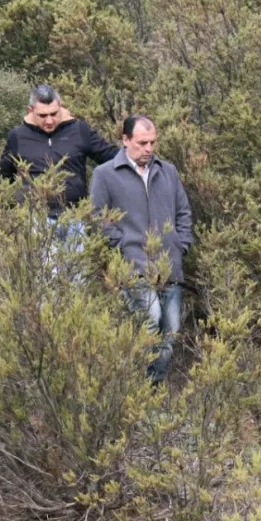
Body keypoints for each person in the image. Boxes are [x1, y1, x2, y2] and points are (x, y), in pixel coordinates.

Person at [90, 115, 193, 384]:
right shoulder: (105, 174)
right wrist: (121, 247)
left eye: (152, 142)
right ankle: (137, 386)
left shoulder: (167, 171)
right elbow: (98, 217)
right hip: (133, 265)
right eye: (142, 143)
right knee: (150, 320)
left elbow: (183, 211)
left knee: (170, 333)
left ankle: (151, 388)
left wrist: (181, 244)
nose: (148, 148)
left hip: (169, 265)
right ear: (125, 140)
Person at [0, 84, 119, 273]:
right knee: (47, 281)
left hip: (75, 218)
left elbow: (110, 156)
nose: (49, 120)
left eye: (54, 114)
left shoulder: (79, 130)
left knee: (77, 280)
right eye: (43, 116)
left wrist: (137, 154)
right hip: (38, 221)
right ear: (31, 111)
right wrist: (1, 210)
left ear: (61, 107)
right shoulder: (18, 137)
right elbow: (3, 177)